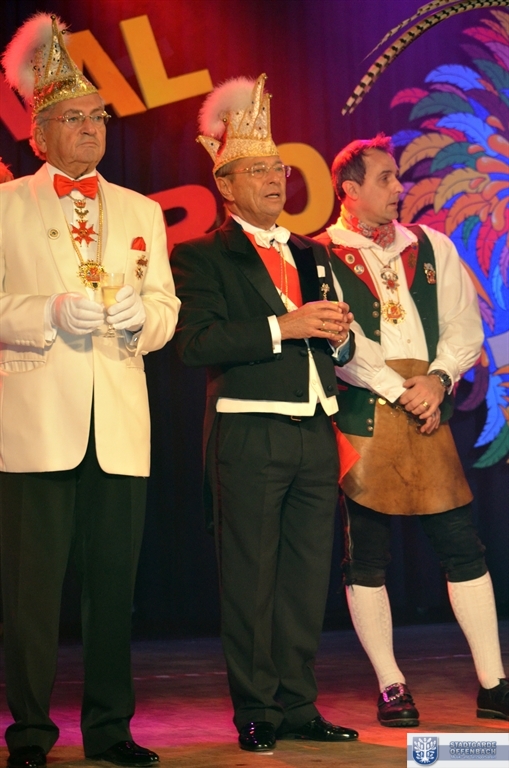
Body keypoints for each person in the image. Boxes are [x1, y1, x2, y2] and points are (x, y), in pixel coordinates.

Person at [0, 14, 180, 768]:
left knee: (113, 590)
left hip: (120, 423)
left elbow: (167, 308)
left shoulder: (141, 209)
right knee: (31, 593)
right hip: (37, 420)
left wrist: (145, 320)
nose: (90, 128)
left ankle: (110, 729)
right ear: (38, 133)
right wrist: (43, 312)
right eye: (73, 117)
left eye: (98, 116)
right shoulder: (6, 206)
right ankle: (29, 733)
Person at [170, 74, 359, 753]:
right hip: (248, 430)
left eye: (278, 168)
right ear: (225, 185)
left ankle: (298, 703)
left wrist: (340, 334)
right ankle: (256, 708)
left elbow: (336, 342)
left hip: (314, 428)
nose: (276, 179)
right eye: (258, 170)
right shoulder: (201, 255)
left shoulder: (311, 251)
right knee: (250, 577)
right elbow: (196, 343)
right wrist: (286, 326)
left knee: (307, 577)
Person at [316, 134, 508, 727]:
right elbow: (338, 339)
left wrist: (439, 379)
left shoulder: (430, 245)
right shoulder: (320, 254)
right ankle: (391, 684)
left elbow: (463, 325)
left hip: (428, 407)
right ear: (349, 190)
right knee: (366, 555)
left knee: (461, 545)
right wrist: (401, 388)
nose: (399, 188)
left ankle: (494, 683)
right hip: (364, 413)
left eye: (398, 176)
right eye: (386, 178)